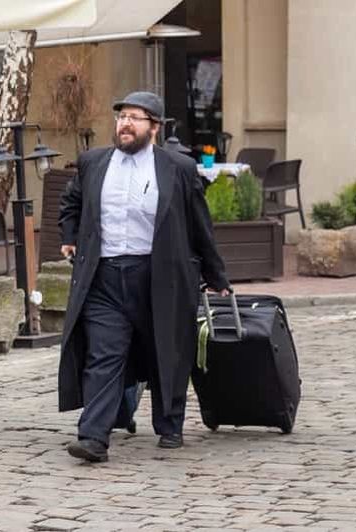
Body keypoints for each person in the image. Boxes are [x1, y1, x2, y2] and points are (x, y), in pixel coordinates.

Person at [57, 91, 230, 462]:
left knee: (166, 350)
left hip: (158, 274)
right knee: (103, 355)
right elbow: (71, 203)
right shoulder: (93, 162)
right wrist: (70, 237)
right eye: (121, 116)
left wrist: (217, 274)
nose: (125, 123)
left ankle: (169, 425)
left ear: (154, 127)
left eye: (135, 117)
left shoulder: (177, 168)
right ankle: (93, 437)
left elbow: (200, 224)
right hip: (103, 276)